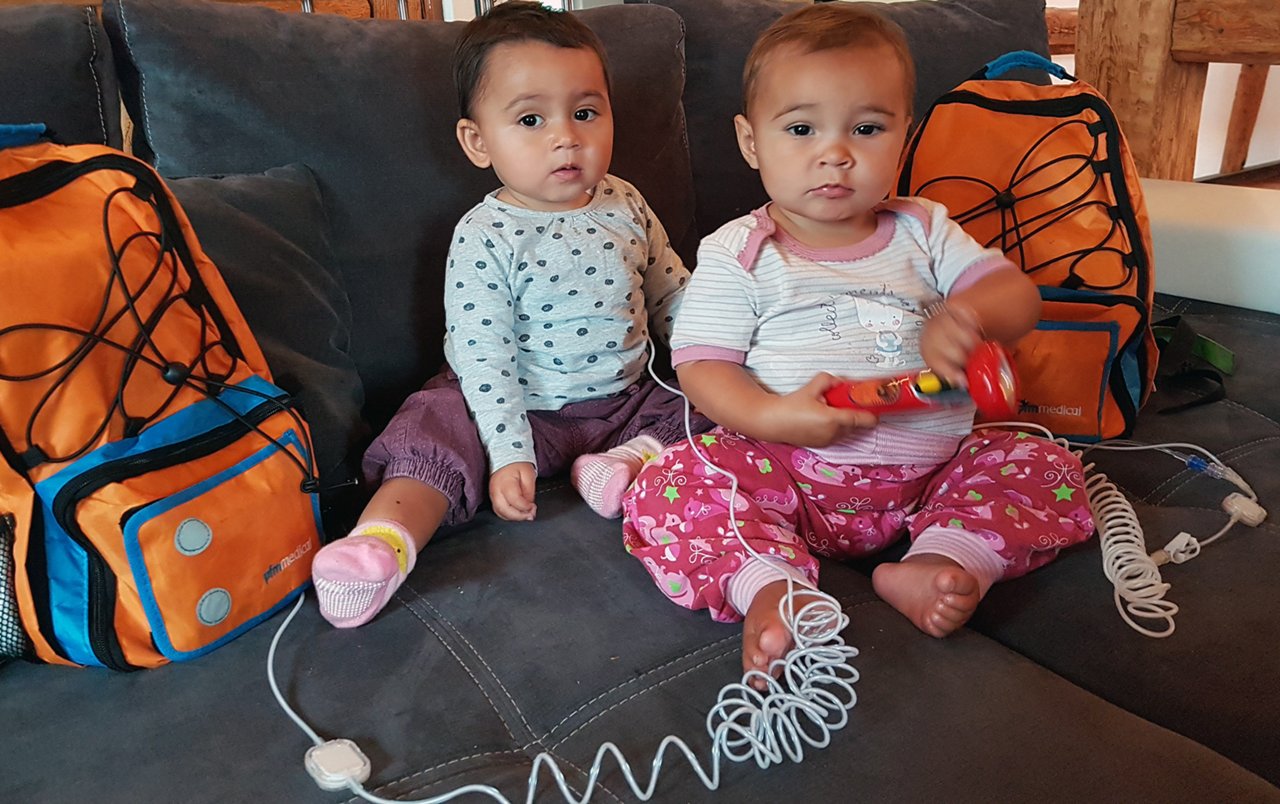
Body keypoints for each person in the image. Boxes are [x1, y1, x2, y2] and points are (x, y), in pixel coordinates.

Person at [621, 4, 1094, 684]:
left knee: (1041, 461)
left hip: (932, 476)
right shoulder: (739, 251)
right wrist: (772, 417)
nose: (835, 152)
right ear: (752, 142)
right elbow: (701, 367)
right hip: (789, 475)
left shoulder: (926, 229)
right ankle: (768, 585)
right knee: (674, 482)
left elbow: (1019, 298)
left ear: (904, 136)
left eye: (867, 128)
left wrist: (967, 315)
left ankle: (943, 557)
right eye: (802, 128)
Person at [312, 0, 705, 628]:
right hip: (516, 405)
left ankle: (626, 465)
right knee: (432, 425)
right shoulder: (486, 234)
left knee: (718, 398)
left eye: (585, 113)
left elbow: (672, 295)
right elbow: (480, 351)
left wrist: (715, 359)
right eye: (530, 118)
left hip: (627, 403)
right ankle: (380, 542)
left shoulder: (627, 202)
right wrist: (509, 448)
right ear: (478, 141)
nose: (566, 137)